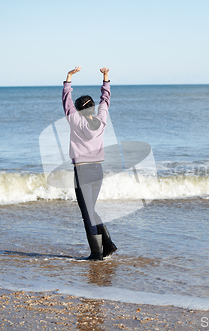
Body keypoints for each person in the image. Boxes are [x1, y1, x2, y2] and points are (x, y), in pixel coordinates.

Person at [62, 65, 117, 261]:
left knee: (87, 215)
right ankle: (108, 245)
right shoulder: (102, 121)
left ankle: (96, 254)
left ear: (78, 110)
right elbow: (106, 101)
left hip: (83, 171)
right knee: (91, 211)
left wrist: (68, 79)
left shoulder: (76, 121)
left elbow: (66, 101)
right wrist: (106, 79)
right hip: (98, 169)